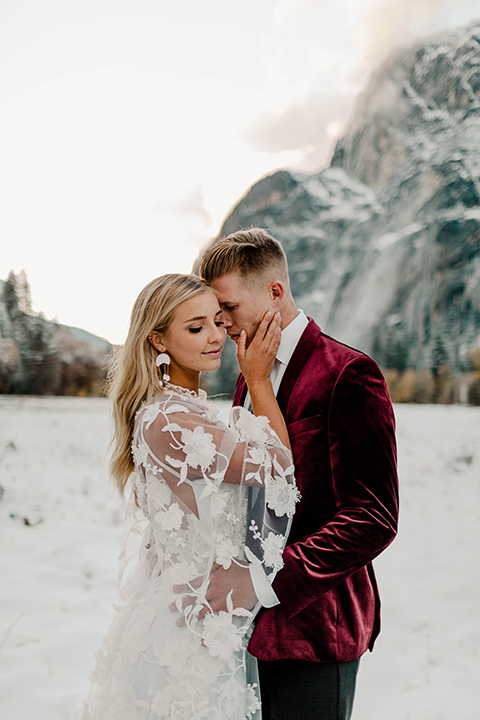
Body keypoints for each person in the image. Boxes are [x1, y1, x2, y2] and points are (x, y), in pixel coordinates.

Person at [199, 228, 399, 720]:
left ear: (274, 291)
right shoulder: (250, 374)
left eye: (229, 307)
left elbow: (373, 518)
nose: (221, 323)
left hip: (317, 626)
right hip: (250, 627)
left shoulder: (348, 373)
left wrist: (265, 580)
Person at [83, 273, 300, 720]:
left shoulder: (184, 408)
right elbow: (279, 469)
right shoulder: (171, 419)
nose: (216, 337)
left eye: (219, 322)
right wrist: (258, 379)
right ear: (158, 339)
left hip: (203, 619)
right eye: (196, 327)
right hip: (186, 636)